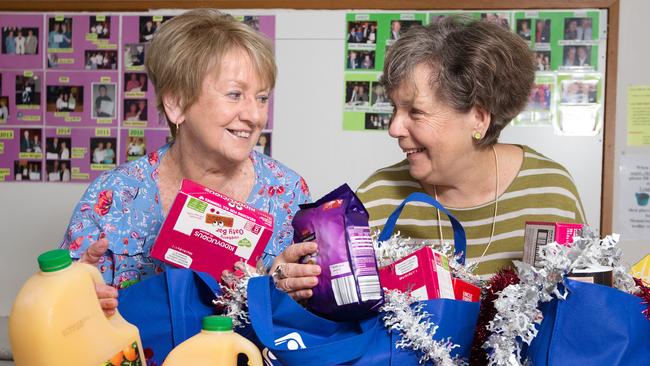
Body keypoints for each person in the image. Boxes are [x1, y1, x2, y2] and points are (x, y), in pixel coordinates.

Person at [60, 10, 319, 317]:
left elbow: (313, 324)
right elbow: (64, 318)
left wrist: (279, 293)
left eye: (261, 98)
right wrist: (74, 297)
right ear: (176, 103)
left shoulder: (288, 192)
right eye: (235, 95)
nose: (255, 116)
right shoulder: (113, 195)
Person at [354, 18, 585, 277]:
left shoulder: (551, 192)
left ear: (478, 118)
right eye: (395, 108)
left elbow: (579, 306)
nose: (394, 128)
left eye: (416, 112)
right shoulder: (375, 199)